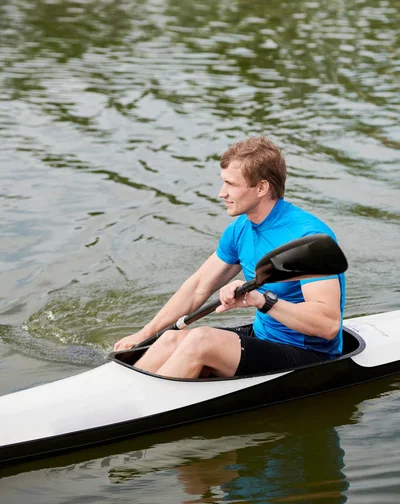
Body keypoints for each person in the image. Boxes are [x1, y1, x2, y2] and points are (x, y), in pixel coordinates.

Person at [114, 136, 346, 379]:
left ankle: (145, 410)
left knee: (202, 340)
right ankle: (119, 395)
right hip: (264, 337)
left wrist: (261, 300)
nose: (221, 193)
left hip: (309, 354)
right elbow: (197, 288)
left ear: (261, 188)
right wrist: (143, 334)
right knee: (171, 338)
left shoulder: (307, 239)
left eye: (231, 184)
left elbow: (327, 326)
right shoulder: (241, 229)